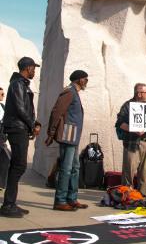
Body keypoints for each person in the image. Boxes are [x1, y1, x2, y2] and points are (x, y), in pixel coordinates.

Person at [0, 57, 41, 217]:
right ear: (27, 68)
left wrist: (33, 123)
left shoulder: (21, 84)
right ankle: (8, 205)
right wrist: (32, 124)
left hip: (20, 127)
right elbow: (20, 108)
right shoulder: (17, 84)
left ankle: (11, 202)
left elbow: (25, 109)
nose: (34, 71)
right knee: (19, 166)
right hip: (17, 128)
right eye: (33, 68)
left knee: (17, 165)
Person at [45, 70, 89, 211]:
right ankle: (60, 200)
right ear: (79, 80)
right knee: (66, 168)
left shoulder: (75, 93)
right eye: (85, 79)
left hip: (73, 136)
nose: (86, 82)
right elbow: (56, 112)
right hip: (68, 135)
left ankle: (72, 198)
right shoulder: (69, 92)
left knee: (75, 168)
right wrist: (51, 133)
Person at [116, 83, 146, 197]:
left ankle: (142, 195)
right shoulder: (128, 105)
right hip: (132, 143)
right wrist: (133, 129)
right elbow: (120, 124)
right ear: (139, 94)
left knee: (144, 171)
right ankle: (127, 195)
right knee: (129, 170)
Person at [0, 87, 10, 190]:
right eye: (2, 94)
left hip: (2, 138)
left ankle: (1, 184)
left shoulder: (2, 106)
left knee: (6, 159)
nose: (3, 96)